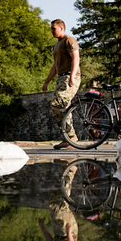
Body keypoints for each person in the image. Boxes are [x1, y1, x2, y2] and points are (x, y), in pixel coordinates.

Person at [42, 19, 81, 149]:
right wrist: (47, 82)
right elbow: (55, 66)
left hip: (70, 76)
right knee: (59, 108)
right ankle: (67, 138)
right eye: (51, 28)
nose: (51, 31)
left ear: (61, 28)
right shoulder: (56, 45)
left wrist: (72, 76)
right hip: (60, 78)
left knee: (58, 103)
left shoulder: (69, 40)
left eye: (54, 28)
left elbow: (76, 58)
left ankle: (71, 136)